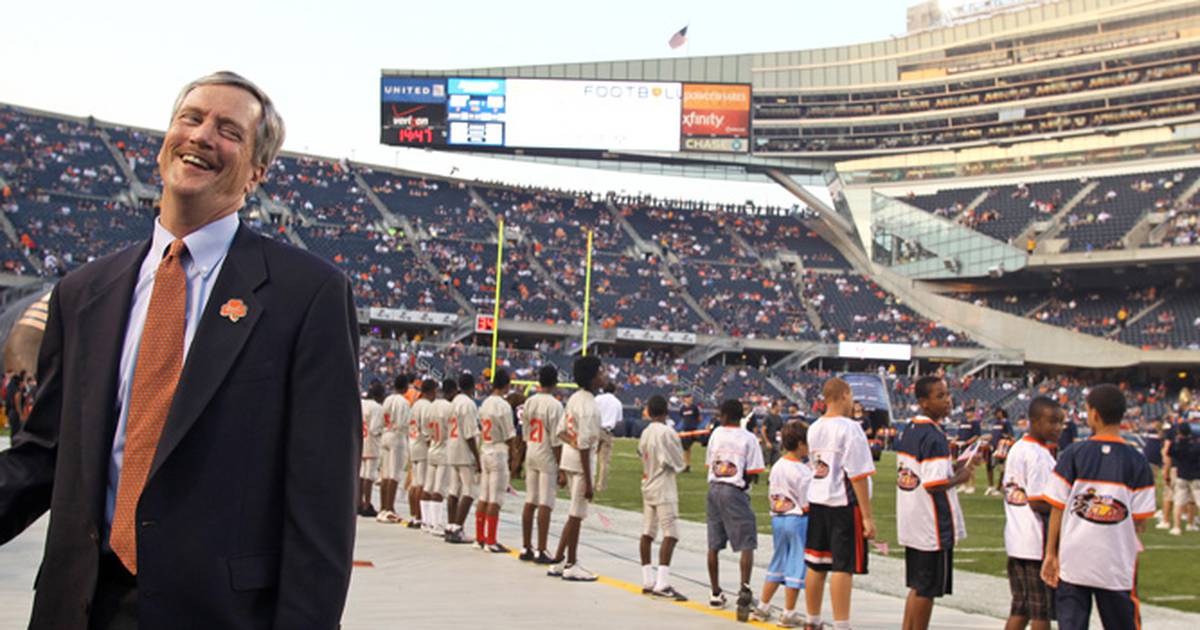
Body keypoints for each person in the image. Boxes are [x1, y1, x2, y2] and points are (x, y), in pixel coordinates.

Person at [0, 71, 361, 629]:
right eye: (190, 118)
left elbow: (320, 500)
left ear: (257, 172)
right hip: (79, 607)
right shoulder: (83, 293)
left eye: (228, 130)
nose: (200, 136)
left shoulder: (306, 294)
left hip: (219, 613)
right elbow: (44, 455)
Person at [1042, 384, 1155, 630]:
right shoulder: (1138, 462)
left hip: (1074, 561)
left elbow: (1057, 509)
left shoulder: (1073, 454)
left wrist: (1051, 553)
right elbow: (1140, 521)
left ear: (1093, 414)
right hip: (1115, 563)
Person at [898, 376, 976, 630]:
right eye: (940, 396)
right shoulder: (934, 436)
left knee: (918, 586)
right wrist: (961, 476)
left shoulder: (910, 429)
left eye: (947, 394)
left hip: (913, 519)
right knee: (927, 590)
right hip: (930, 525)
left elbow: (924, 474)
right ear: (923, 402)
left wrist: (952, 468)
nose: (947, 400)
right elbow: (934, 484)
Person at [804, 378, 876, 630]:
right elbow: (858, 474)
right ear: (844, 395)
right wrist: (867, 516)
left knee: (816, 563)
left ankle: (812, 620)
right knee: (842, 566)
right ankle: (842, 624)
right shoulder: (850, 428)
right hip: (843, 503)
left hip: (818, 499)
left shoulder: (814, 427)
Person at [1002, 397, 1063, 630]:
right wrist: (1065, 507)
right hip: (1035, 541)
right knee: (1041, 611)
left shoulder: (1019, 448)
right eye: (1052, 422)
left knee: (1022, 607)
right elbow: (1039, 501)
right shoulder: (1037, 455)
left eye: (1060, 422)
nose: (1057, 428)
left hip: (1017, 538)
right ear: (1034, 421)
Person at [705, 398, 765, 621]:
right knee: (746, 542)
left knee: (713, 543)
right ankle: (744, 591)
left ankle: (715, 592)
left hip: (714, 487)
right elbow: (755, 470)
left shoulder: (716, 434)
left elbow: (709, 463)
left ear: (724, 415)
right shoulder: (748, 438)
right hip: (734, 489)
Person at [750, 421, 812, 627]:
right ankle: (788, 612)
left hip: (778, 517)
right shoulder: (803, 472)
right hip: (797, 519)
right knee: (795, 564)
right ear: (801, 444)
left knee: (778, 561)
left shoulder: (778, 465)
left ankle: (763, 606)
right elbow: (806, 503)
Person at [547, 356, 604, 582]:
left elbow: (561, 432)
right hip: (581, 464)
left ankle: (559, 558)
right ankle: (571, 563)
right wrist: (590, 482)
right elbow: (584, 444)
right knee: (576, 514)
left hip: (569, 459)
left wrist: (566, 459)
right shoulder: (589, 405)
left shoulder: (574, 399)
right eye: (600, 372)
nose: (604, 376)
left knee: (573, 511)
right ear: (592, 377)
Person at [638, 394, 687, 601]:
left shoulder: (645, 432)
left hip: (648, 482)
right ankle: (662, 581)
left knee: (648, 532)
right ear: (666, 412)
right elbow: (678, 462)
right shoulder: (667, 432)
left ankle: (647, 578)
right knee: (671, 533)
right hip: (663, 485)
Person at [519, 365, 564, 564]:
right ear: (555, 382)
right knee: (545, 502)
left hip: (531, 450)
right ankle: (541, 549)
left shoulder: (530, 401)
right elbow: (556, 440)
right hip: (546, 454)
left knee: (530, 500)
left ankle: (526, 546)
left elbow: (525, 433)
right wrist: (561, 466)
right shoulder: (555, 405)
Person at [475, 367, 517, 553]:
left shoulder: (485, 403)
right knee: (496, 499)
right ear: (506, 385)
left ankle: (480, 537)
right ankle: (490, 540)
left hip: (485, 448)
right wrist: (515, 454)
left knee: (484, 496)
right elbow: (509, 434)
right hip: (498, 450)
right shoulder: (503, 405)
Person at [444, 373, 482, 544]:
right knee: (469, 490)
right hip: (463, 449)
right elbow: (469, 434)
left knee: (453, 490)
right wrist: (477, 456)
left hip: (452, 446)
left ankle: (451, 526)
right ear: (472, 387)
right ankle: (458, 528)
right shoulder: (467, 403)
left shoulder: (453, 402)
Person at [377, 374, 411, 524]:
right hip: (397, 435)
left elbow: (380, 419)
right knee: (394, 474)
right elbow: (405, 423)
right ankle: (389, 508)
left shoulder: (387, 399)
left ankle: (383, 507)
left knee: (385, 474)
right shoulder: (403, 401)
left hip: (385, 433)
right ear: (405, 387)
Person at [421, 379, 453, 536]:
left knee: (428, 486)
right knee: (439, 488)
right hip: (444, 448)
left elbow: (425, 430)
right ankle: (436, 523)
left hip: (432, 446)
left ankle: (426, 521)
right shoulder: (449, 408)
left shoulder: (431, 406)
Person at [407, 378, 437, 529]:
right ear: (431, 391)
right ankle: (420, 516)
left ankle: (413, 515)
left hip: (412, 443)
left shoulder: (415, 404)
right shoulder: (426, 406)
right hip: (422, 446)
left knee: (414, 483)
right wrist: (430, 444)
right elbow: (427, 430)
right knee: (421, 484)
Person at [359, 380, 387, 517]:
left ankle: (357, 502)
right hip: (371, 442)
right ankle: (367, 503)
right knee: (369, 476)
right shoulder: (376, 407)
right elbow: (375, 428)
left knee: (360, 474)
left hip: (361, 440)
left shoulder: (361, 404)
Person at [1168, 421, 1200, 536]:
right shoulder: (1196, 444)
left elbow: (1170, 452)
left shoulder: (1178, 445)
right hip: (1196, 476)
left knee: (1178, 502)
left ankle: (1176, 527)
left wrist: (1175, 440)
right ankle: (1190, 524)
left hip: (1182, 475)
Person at [594, 381, 622, 493]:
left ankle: (588, 481)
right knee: (604, 461)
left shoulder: (597, 399)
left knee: (591, 457)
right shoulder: (617, 403)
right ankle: (601, 486)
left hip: (595, 429)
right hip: (608, 431)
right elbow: (619, 421)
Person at [986, 408, 1016, 497]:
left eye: (998, 413)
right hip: (993, 447)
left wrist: (1005, 437)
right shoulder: (995, 423)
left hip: (1002, 448)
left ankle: (999, 487)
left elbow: (1011, 435)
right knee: (989, 466)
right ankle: (990, 486)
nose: (996, 414)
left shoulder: (1006, 422)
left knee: (1002, 468)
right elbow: (992, 434)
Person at [679, 393, 702, 472]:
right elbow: (682, 417)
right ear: (685, 399)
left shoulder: (694, 407)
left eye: (691, 398)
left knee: (701, 443)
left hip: (694, 430)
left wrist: (695, 424)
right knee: (686, 448)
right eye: (688, 398)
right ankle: (687, 465)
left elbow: (698, 417)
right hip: (686, 430)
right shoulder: (682, 408)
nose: (690, 399)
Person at [760, 399, 785, 467]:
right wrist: (767, 442)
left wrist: (781, 441)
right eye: (780, 406)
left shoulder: (779, 418)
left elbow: (781, 430)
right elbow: (763, 430)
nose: (781, 407)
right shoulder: (768, 417)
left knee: (776, 462)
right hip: (767, 442)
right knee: (766, 461)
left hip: (776, 442)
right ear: (775, 406)